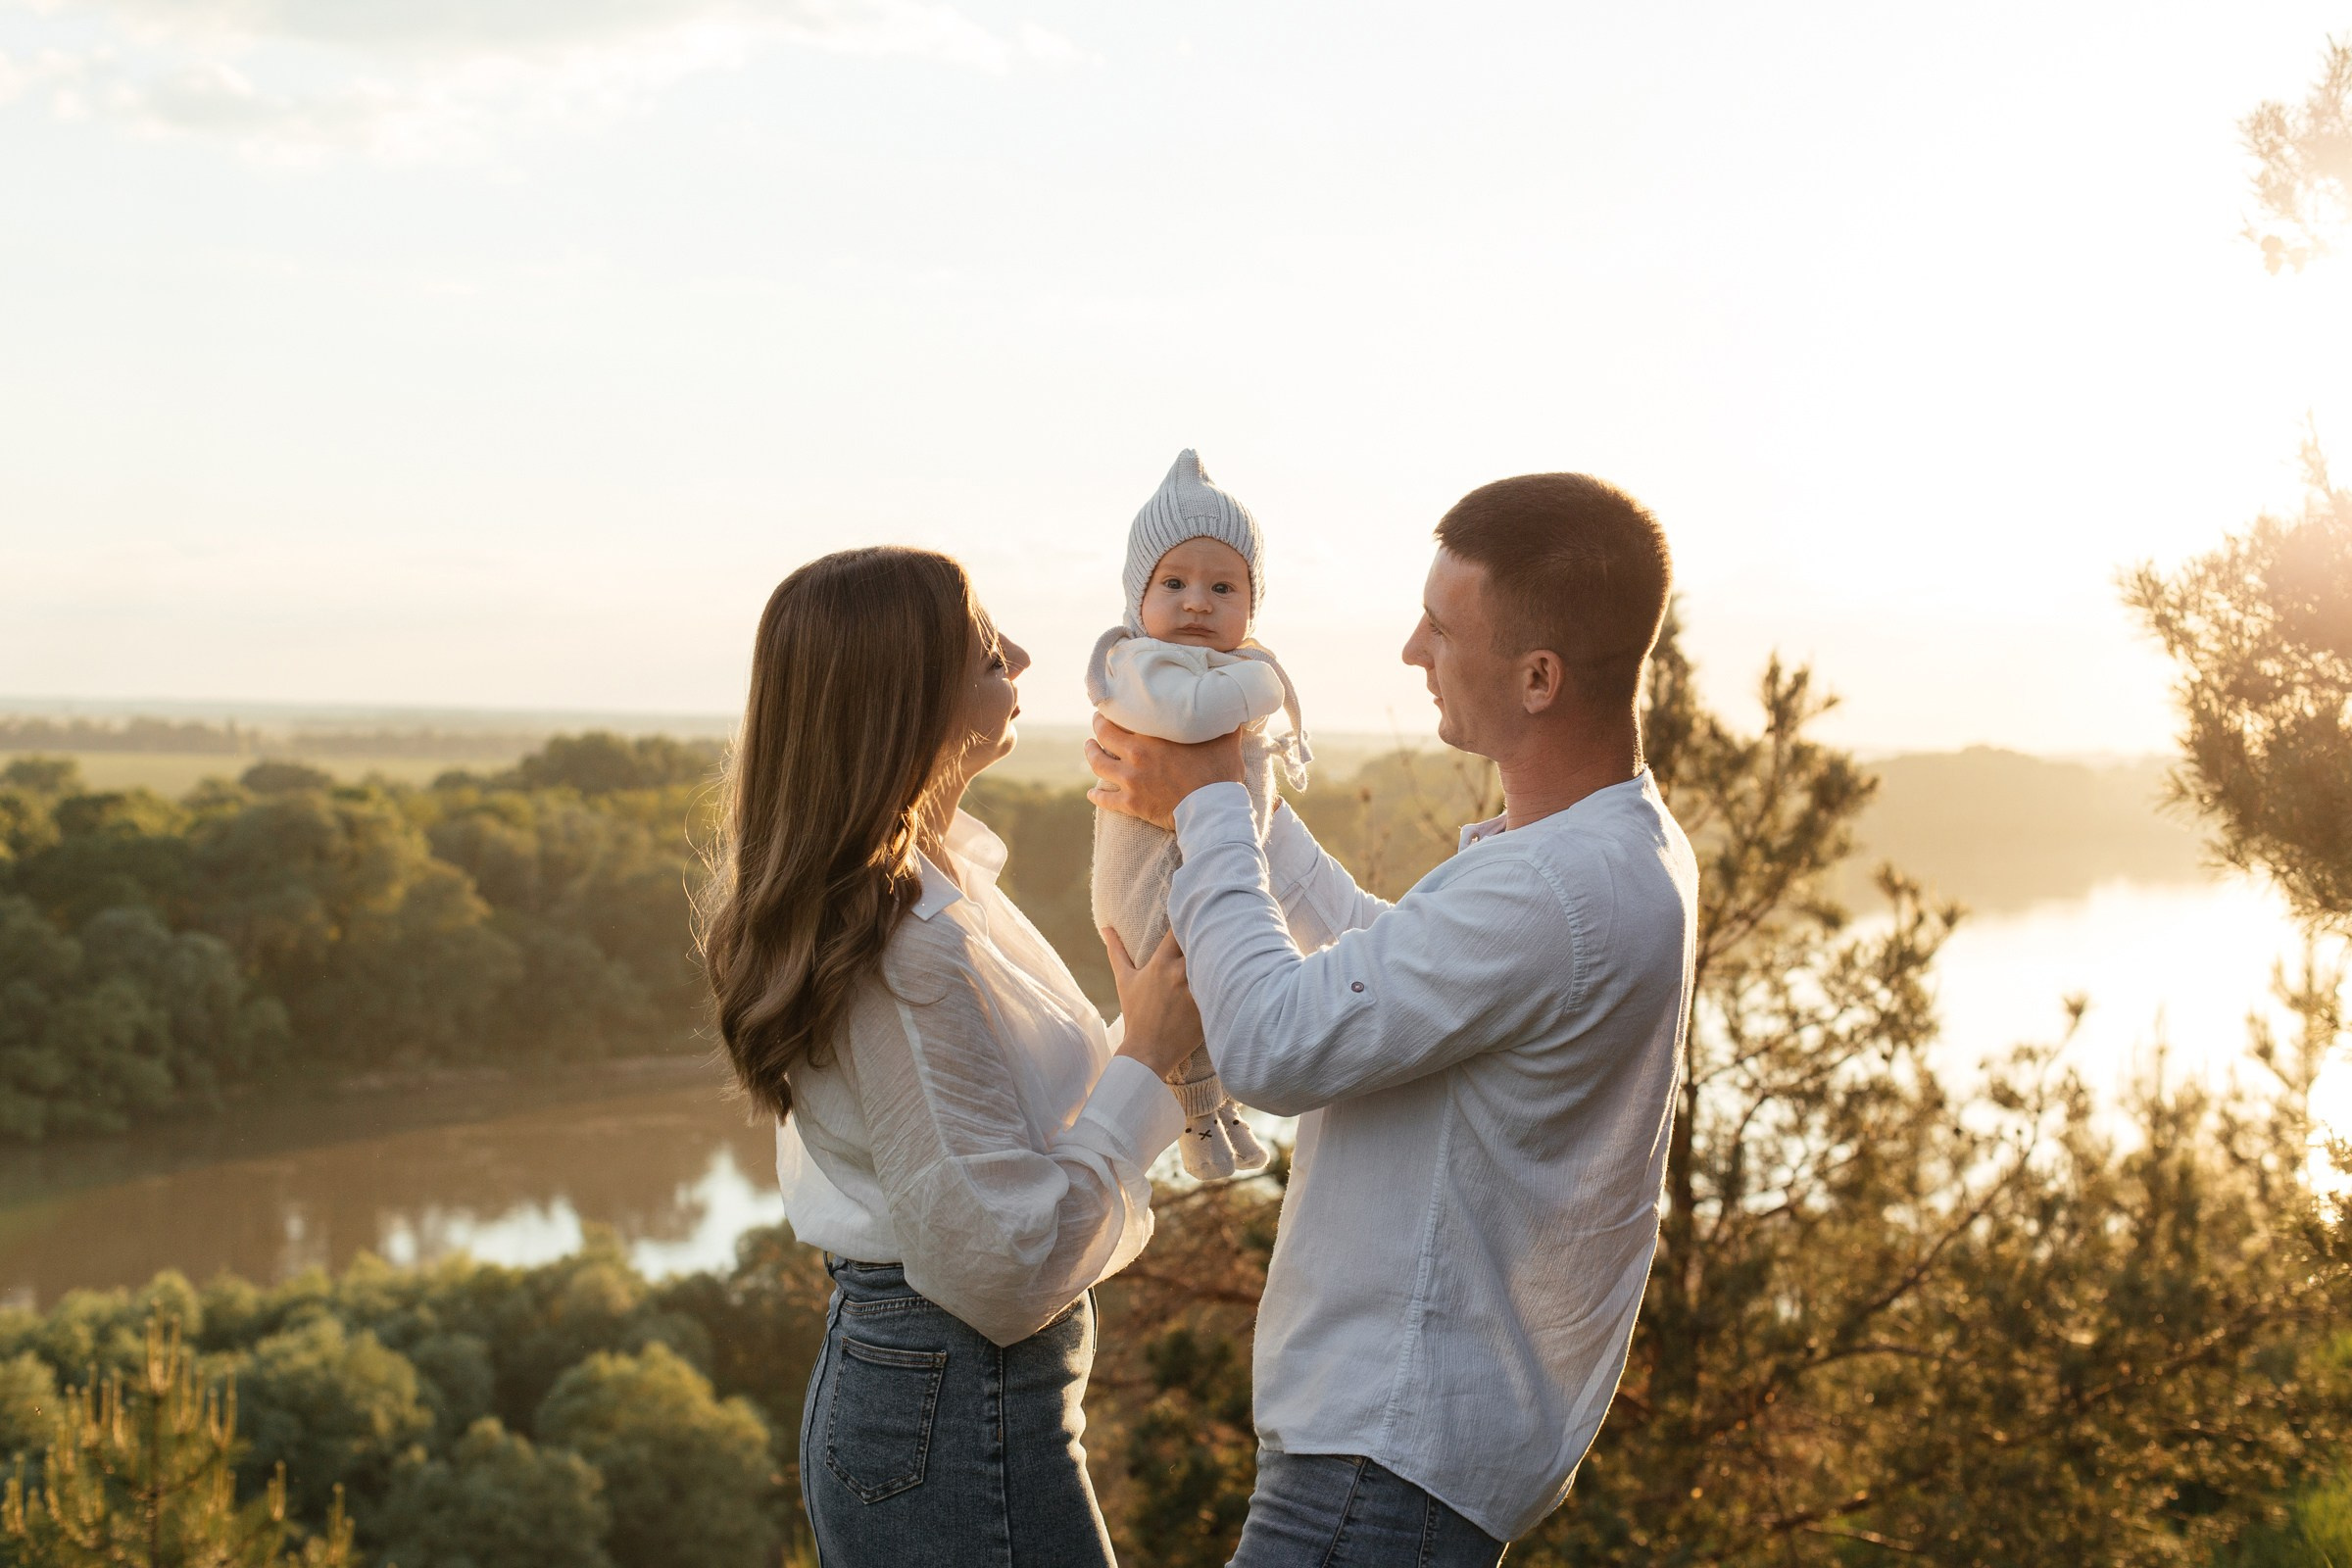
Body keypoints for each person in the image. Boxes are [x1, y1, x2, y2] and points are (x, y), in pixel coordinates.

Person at [1088, 472, 1699, 1563]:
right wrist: (1250, 816)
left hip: (1380, 1467)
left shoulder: (1554, 890)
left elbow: (1275, 1041)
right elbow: (1398, 969)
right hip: (1399, 1464)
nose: (1414, 649)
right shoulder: (1616, 843)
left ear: (1540, 676)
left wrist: (1207, 805)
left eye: (1441, 626)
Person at [702, 545, 1201, 1566]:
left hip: (943, 1399)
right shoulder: (906, 947)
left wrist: (1147, 1026)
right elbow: (1000, 1263)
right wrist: (1144, 1056)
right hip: (955, 1401)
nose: (1018, 655)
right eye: (983, 653)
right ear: (901, 701)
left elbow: (991, 1135)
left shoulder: (934, 884)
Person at [1086, 448, 1311, 1180]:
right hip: (1148, 869)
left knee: (1220, 978)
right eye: (1174, 582)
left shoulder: (1227, 666)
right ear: (1137, 595)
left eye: (1224, 587)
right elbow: (1191, 721)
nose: (1197, 603)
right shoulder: (1139, 666)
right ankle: (1194, 1121)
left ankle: (1221, 1111)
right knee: (1183, 975)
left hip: (1204, 856)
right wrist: (1262, 686)